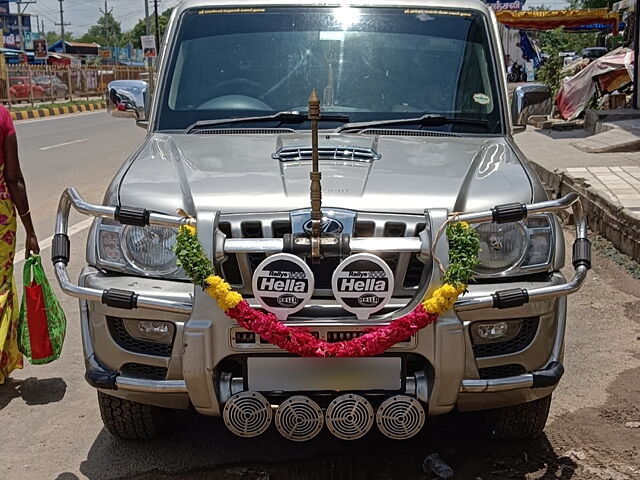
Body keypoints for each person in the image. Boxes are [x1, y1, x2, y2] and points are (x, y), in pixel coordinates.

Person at [0, 104, 39, 384]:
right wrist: (30, 230)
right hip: (1, 220)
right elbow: (13, 178)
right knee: (1, 289)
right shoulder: (2, 117)